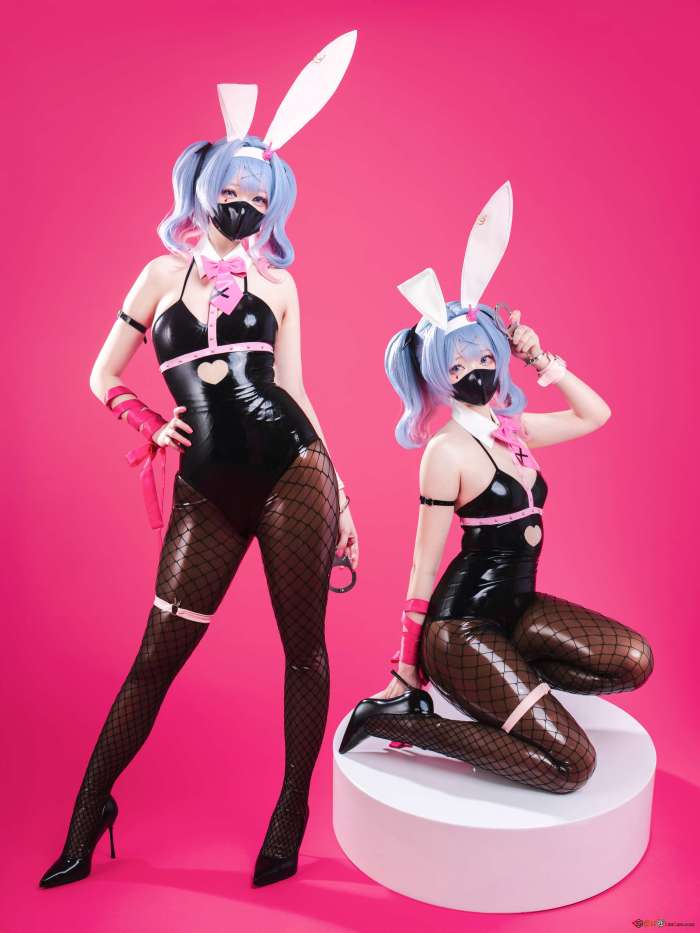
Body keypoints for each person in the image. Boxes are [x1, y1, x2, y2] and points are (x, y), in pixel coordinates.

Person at [40, 31, 359, 890]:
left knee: (304, 650)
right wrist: (148, 419)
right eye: (234, 191)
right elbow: (101, 374)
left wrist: (345, 499)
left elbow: (298, 391)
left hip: (294, 473)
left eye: (261, 196)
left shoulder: (280, 285)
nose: (245, 205)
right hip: (207, 489)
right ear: (204, 189)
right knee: (156, 657)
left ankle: (289, 815)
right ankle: (88, 811)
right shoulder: (158, 277)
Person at [339, 181, 653, 793]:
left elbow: (596, 415)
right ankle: (398, 721)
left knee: (634, 659)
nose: (474, 373)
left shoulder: (516, 429)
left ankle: (508, 680)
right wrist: (406, 669)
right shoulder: (446, 452)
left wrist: (541, 359)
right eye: (456, 366)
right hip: (461, 629)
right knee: (572, 767)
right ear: (436, 376)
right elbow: (423, 566)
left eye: (482, 359)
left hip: (518, 614)